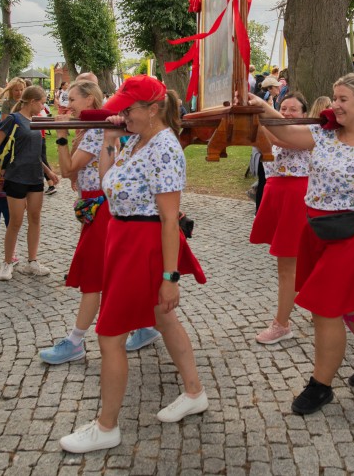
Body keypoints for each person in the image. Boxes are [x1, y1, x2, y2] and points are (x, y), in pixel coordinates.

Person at [246, 72, 354, 415]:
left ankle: (320, 386)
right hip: (318, 229)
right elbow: (286, 133)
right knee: (349, 303)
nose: (335, 105)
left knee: (325, 308)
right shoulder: (326, 132)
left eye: (343, 99)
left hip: (353, 234)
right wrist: (260, 105)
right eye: (334, 98)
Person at [60, 75, 206, 454]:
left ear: (153, 109)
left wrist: (170, 277)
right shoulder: (136, 140)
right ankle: (194, 392)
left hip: (144, 245)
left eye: (128, 110)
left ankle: (106, 426)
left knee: (110, 335)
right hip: (123, 239)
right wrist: (110, 140)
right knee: (163, 318)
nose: (122, 115)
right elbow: (109, 184)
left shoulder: (164, 148)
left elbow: (170, 219)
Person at [39, 80, 109, 363]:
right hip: (95, 206)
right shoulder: (90, 129)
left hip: (101, 208)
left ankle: (76, 341)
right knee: (111, 272)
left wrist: (61, 135)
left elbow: (67, 169)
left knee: (93, 276)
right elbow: (73, 173)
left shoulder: (95, 131)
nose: (67, 105)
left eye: (72, 99)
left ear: (90, 100)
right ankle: (146, 325)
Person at [249, 91, 310, 345]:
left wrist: (259, 117)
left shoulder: (305, 131)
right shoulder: (275, 129)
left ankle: (282, 324)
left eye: (293, 109)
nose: (286, 113)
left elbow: (282, 138)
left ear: (304, 114)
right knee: (297, 264)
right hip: (277, 195)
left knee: (288, 267)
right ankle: (326, 306)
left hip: (296, 198)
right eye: (283, 108)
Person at [0, 85, 59, 280]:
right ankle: (7, 262)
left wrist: (48, 172)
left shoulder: (37, 121)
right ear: (32, 101)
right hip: (16, 177)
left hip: (35, 177)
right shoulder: (14, 119)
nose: (43, 107)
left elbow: (35, 154)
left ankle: (32, 261)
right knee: (16, 221)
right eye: (42, 103)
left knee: (35, 218)